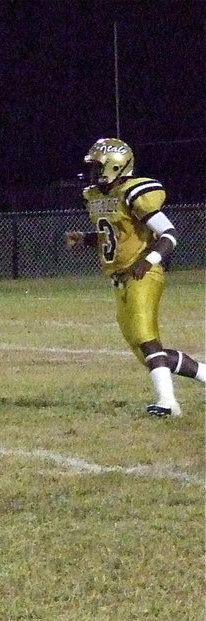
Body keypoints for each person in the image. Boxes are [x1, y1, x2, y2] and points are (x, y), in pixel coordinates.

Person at [64, 137, 205, 417]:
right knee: (146, 354)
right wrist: (86, 239)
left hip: (143, 272)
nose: (92, 173)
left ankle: (168, 403)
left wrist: (148, 260)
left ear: (115, 166)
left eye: (97, 166)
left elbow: (169, 234)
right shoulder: (98, 197)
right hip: (119, 278)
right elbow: (115, 235)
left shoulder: (134, 192)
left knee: (146, 336)